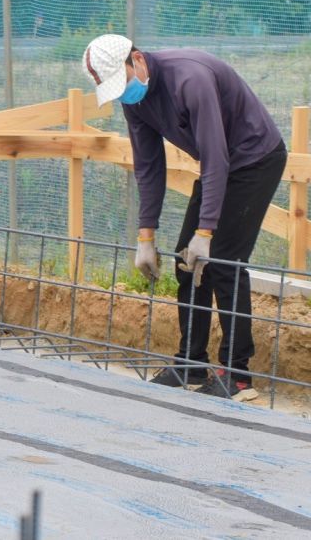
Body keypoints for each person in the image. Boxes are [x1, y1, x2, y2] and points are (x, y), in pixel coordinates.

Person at [82, 34, 286, 401]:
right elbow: (148, 166)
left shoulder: (190, 79)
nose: (122, 94)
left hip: (254, 158)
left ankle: (237, 376)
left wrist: (206, 230)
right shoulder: (136, 102)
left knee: (222, 260)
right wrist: (146, 237)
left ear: (138, 61)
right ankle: (191, 364)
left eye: (121, 82)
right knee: (185, 261)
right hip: (218, 165)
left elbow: (216, 154)